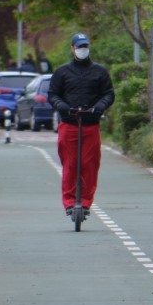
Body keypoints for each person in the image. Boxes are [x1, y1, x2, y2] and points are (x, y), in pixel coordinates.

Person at [48, 33, 115, 217]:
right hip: (69, 124)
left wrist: (98, 108)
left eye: (85, 47)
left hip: (90, 124)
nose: (82, 50)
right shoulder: (62, 72)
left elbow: (108, 94)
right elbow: (53, 94)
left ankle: (85, 202)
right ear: (72, 48)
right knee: (70, 164)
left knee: (89, 164)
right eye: (79, 47)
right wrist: (63, 107)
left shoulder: (100, 72)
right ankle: (69, 201)